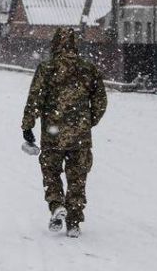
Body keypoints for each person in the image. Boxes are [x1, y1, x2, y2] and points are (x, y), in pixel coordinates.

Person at [21, 27, 107, 238]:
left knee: (51, 172)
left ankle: (57, 204)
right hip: (80, 137)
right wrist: (87, 122)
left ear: (55, 44)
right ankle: (74, 222)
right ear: (74, 44)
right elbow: (100, 101)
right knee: (77, 178)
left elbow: (35, 98)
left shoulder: (47, 68)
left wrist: (27, 126)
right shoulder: (88, 69)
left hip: (53, 134)